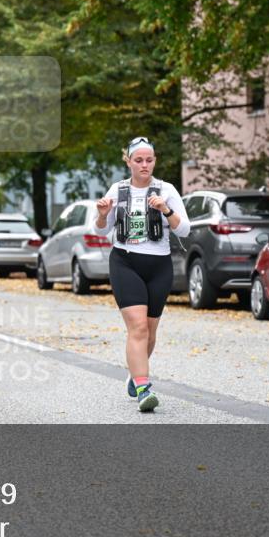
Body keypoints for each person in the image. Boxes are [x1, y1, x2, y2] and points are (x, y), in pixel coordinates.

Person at [93, 137, 190, 412]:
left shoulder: (166, 189)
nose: (144, 165)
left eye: (149, 160)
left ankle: (135, 374)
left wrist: (166, 209)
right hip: (125, 262)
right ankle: (144, 388)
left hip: (159, 265)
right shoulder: (118, 189)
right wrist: (102, 215)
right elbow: (101, 229)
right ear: (128, 162)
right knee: (137, 327)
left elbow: (184, 230)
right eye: (139, 160)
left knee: (150, 330)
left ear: (154, 161)